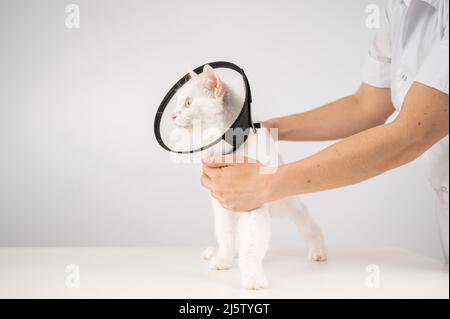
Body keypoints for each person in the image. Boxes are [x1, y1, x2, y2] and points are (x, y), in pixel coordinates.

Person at [201, 0, 450, 261]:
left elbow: (410, 134)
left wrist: (267, 184)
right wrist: (261, 129)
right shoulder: (398, 7)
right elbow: (365, 106)